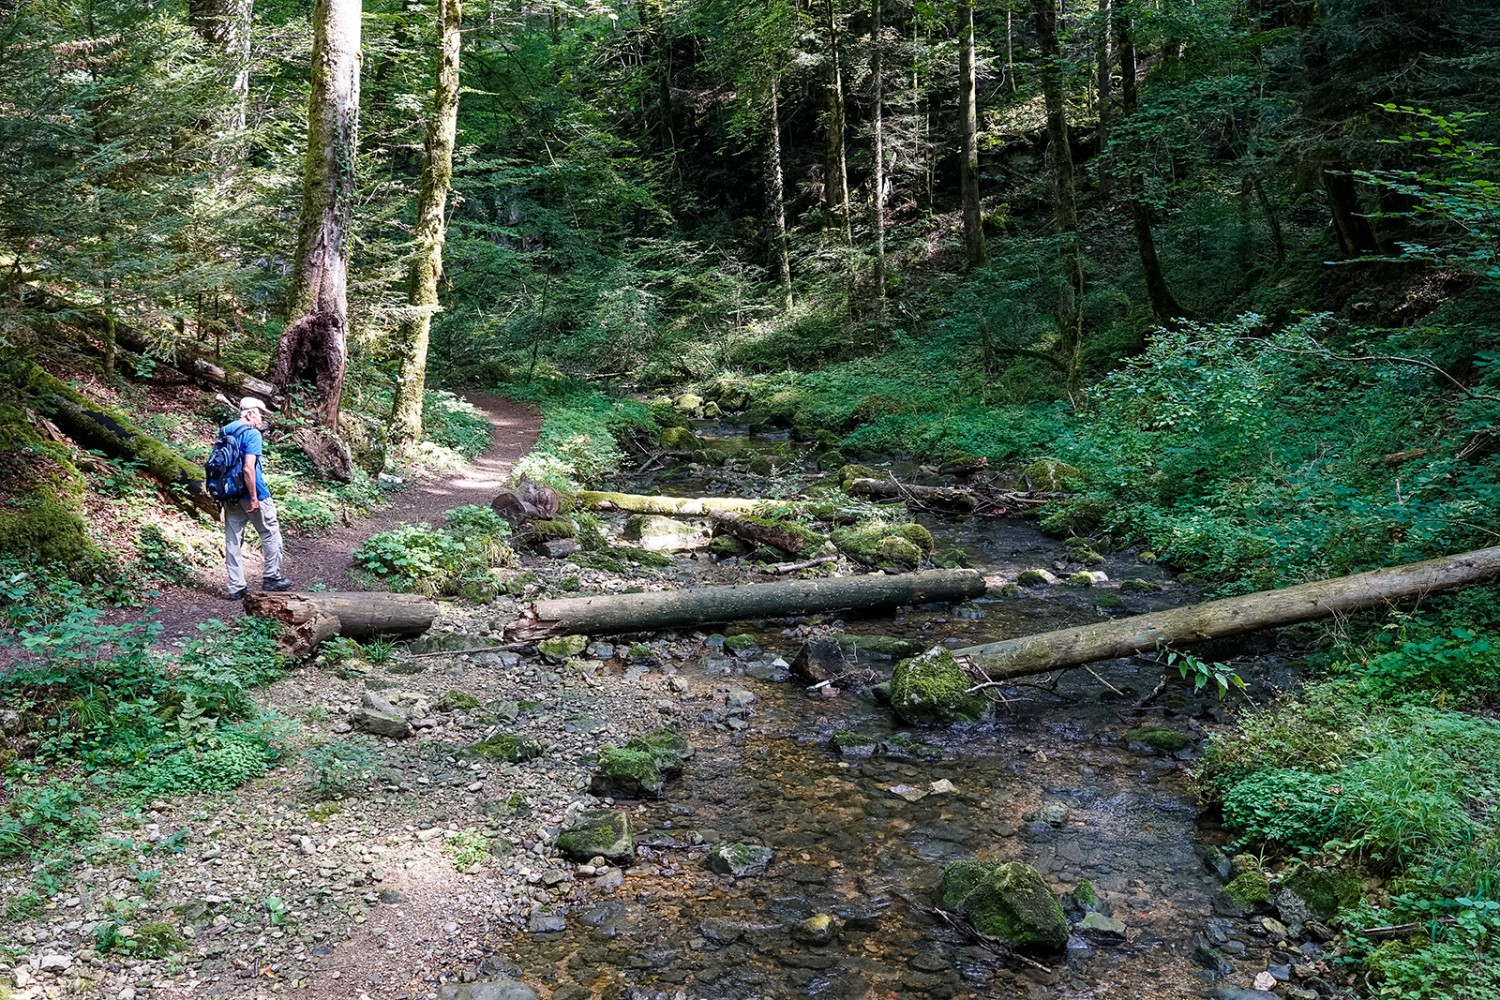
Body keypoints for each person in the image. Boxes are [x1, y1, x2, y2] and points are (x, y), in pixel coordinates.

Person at [222, 397, 293, 599]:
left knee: (233, 539)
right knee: (270, 533)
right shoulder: (252, 434)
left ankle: (236, 587)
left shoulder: (226, 430)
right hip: (252, 493)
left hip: (230, 493)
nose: (262, 418)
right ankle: (271, 577)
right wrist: (254, 497)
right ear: (250, 413)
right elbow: (248, 468)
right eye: (260, 414)